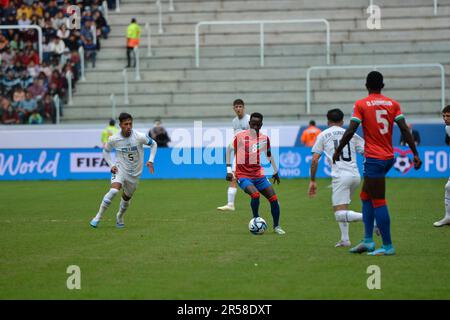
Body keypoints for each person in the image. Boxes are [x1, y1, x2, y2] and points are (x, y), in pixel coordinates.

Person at [332, 71, 422, 256]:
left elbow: (351, 130)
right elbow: (404, 129)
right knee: (365, 197)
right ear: (383, 85)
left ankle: (388, 246)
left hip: (374, 159)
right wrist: (415, 154)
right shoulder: (393, 104)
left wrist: (339, 149)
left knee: (378, 200)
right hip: (388, 157)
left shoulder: (361, 104)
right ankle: (367, 241)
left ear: (366, 85)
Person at [90, 112, 158, 228]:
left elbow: (154, 144)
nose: (128, 126)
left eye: (130, 124)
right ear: (120, 125)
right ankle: (97, 217)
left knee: (126, 198)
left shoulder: (139, 136)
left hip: (135, 173)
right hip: (120, 169)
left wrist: (150, 160)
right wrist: (111, 165)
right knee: (114, 191)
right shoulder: (114, 139)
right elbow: (105, 151)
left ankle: (120, 216)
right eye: (126, 124)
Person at [309, 108, 366, 247]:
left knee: (339, 213)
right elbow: (366, 151)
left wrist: (312, 180)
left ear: (328, 121)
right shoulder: (351, 134)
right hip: (355, 176)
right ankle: (345, 239)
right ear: (342, 121)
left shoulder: (323, 135)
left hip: (341, 177)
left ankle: (371, 219)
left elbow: (315, 160)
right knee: (343, 207)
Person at [226, 112, 285, 235]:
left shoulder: (264, 139)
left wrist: (275, 171)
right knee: (255, 195)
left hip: (258, 175)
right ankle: (256, 219)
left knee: (274, 199)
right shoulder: (240, 136)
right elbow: (228, 149)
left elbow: (268, 155)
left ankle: (277, 226)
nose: (255, 127)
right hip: (243, 175)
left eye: (258, 125)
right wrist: (229, 170)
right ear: (249, 124)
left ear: (261, 125)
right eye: (253, 124)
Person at [218, 98, 250, 211]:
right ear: (233, 108)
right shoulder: (234, 121)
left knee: (257, 179)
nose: (238, 109)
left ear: (243, 107)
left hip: (250, 155)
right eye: (236, 107)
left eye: (240, 106)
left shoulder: (249, 119)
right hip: (239, 154)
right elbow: (236, 138)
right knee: (233, 177)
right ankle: (230, 204)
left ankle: (272, 198)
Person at [433, 105, 450, 227]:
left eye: (448, 116)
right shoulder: (447, 128)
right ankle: (448, 217)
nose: (445, 118)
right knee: (448, 187)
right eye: (444, 116)